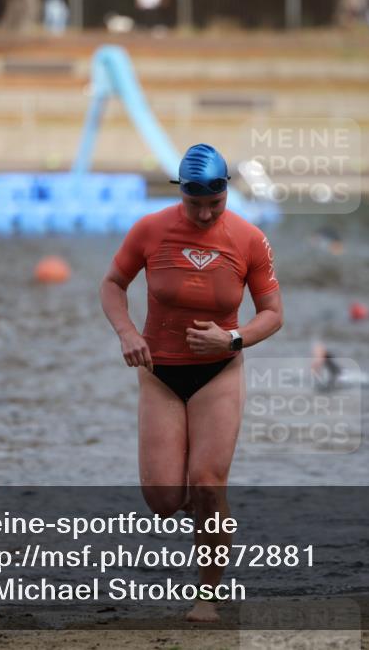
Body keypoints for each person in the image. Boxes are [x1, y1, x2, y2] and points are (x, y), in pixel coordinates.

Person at [100, 144, 283, 621]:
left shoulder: (249, 239)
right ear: (181, 193)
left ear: (227, 192)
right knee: (164, 500)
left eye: (214, 203)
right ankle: (215, 518)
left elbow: (273, 315)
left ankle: (208, 594)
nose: (204, 213)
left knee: (205, 484)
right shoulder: (150, 230)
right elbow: (112, 285)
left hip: (218, 372)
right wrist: (126, 333)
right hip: (160, 373)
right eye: (194, 202)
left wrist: (233, 339)